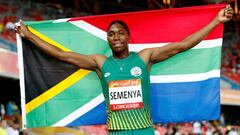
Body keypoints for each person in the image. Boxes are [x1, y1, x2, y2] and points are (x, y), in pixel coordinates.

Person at [15, 5, 233, 135]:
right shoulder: (101, 63)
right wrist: (29, 35)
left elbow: (182, 46)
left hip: (144, 130)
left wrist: (216, 20)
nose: (116, 37)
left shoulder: (144, 58)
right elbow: (62, 55)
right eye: (111, 34)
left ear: (128, 37)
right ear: (107, 39)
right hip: (117, 131)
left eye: (120, 33)